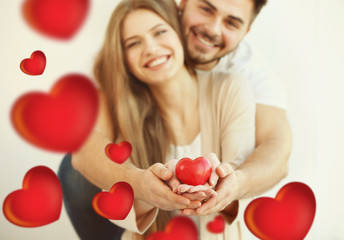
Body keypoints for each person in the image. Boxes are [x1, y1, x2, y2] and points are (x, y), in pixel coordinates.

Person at [58, 0, 292, 238]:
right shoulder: (122, 99)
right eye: (206, 9)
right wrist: (141, 185)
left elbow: (276, 149)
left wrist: (231, 185)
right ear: (181, 10)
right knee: (72, 170)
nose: (212, 28)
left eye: (231, 22)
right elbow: (85, 152)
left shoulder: (241, 77)